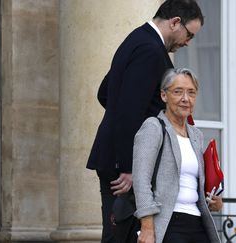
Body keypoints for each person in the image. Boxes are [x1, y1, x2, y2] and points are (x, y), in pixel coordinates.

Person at [86, 1, 204, 242]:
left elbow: (106, 93)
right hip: (123, 167)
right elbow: (129, 109)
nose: (187, 42)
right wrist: (129, 168)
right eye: (189, 34)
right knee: (121, 236)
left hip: (116, 157)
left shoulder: (137, 39)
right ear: (175, 23)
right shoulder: (150, 50)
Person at [132, 68, 223, 243]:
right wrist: (147, 227)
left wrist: (215, 201)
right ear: (164, 95)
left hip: (197, 222)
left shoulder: (196, 135)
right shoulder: (153, 127)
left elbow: (195, 182)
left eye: (191, 92)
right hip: (169, 222)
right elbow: (141, 181)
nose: (185, 99)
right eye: (178, 92)